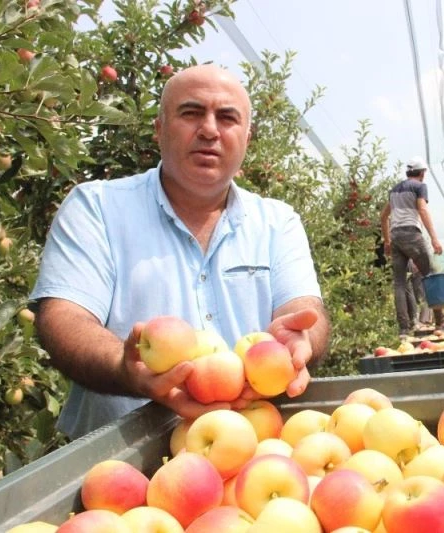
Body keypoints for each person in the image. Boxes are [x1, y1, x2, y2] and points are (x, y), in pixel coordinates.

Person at [29, 64, 330, 440]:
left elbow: (304, 312)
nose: (209, 130)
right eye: (190, 113)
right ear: (159, 129)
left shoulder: (277, 222)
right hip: (120, 462)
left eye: (227, 117)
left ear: (246, 138)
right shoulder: (97, 208)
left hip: (250, 451)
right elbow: (64, 317)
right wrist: (125, 369)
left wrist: (303, 339)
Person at [381, 156, 444, 337]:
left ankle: (404, 328)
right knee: (431, 276)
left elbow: (383, 216)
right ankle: (440, 323)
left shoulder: (394, 191)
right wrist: (434, 239)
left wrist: (387, 241)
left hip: (395, 237)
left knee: (399, 284)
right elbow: (423, 209)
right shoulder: (419, 187)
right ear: (422, 173)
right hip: (412, 234)